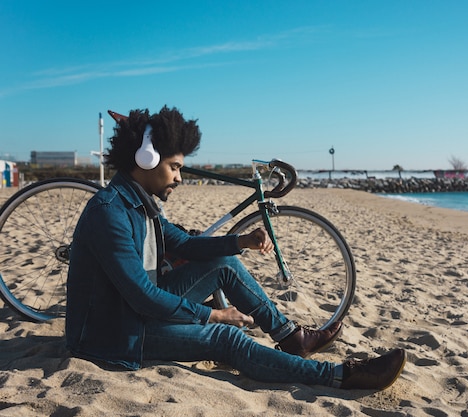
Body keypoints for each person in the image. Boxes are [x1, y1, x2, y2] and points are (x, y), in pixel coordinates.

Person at [65, 106, 406, 390]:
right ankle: (339, 376)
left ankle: (290, 337)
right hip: (113, 334)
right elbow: (142, 296)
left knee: (224, 262)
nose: (179, 178)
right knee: (225, 338)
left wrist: (239, 242)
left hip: (133, 312)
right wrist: (213, 314)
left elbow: (183, 243)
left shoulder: (139, 202)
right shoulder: (110, 212)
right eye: (175, 167)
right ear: (146, 159)